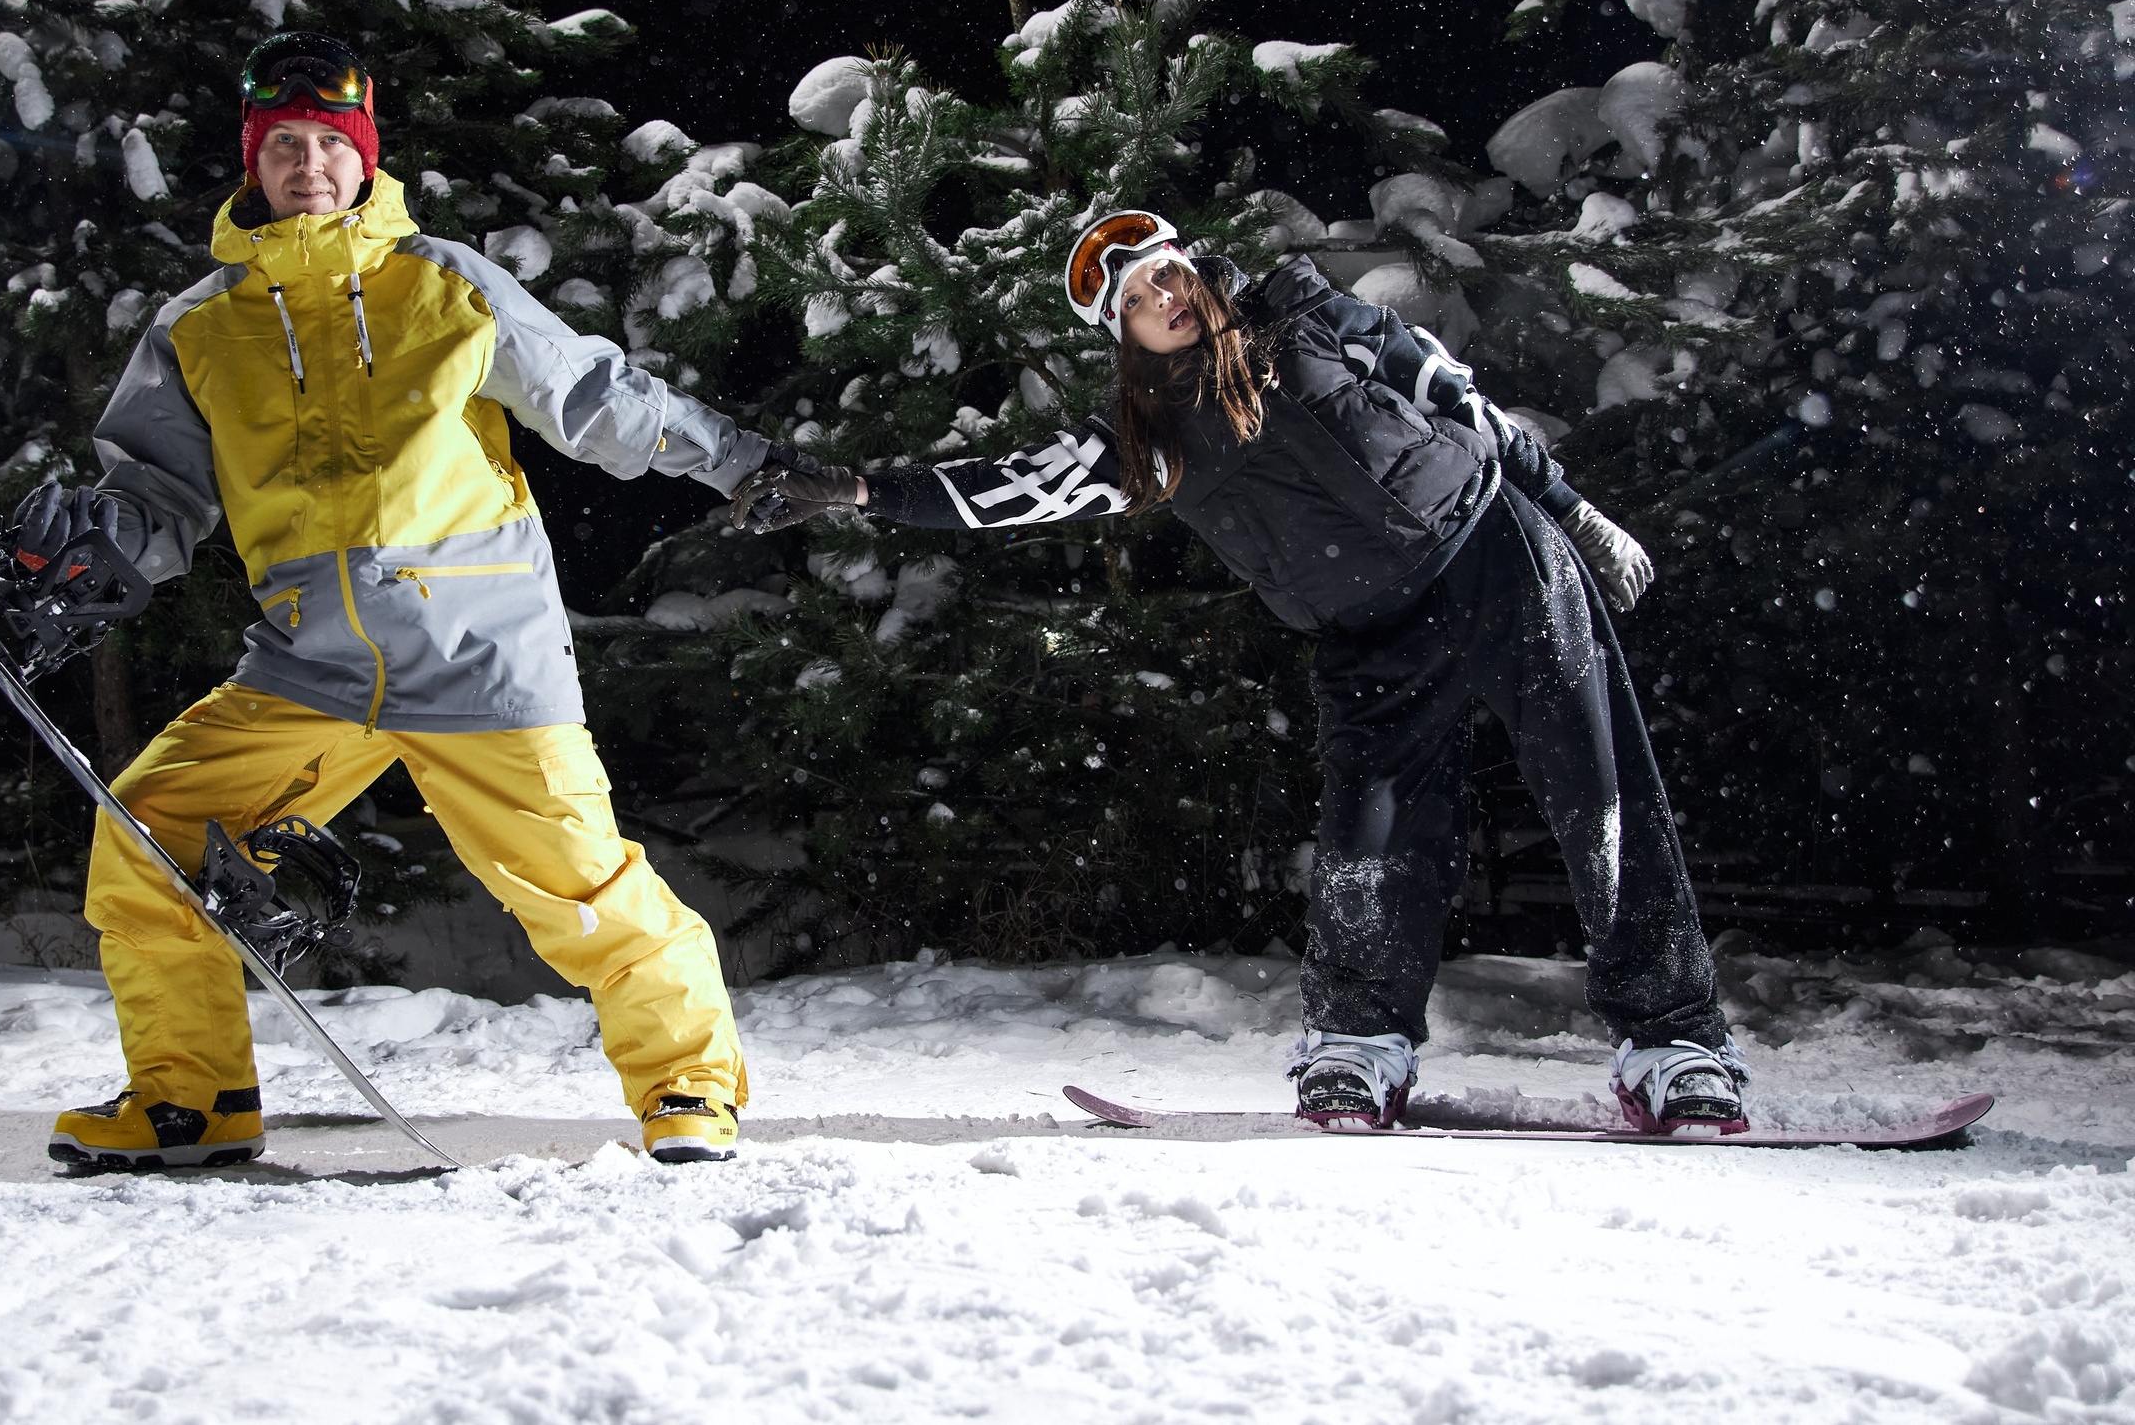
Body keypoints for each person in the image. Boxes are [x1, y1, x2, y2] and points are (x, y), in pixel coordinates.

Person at [733, 210, 1749, 1133]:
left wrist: (1569, 508)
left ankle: (1673, 1041)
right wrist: (859, 488)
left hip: (1493, 551)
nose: (1159, 300)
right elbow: (1005, 490)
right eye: (1131, 302)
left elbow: (1453, 394)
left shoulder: (1310, 314)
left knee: (1598, 792)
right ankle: (1358, 1044)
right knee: (1370, 834)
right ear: (1122, 333)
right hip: (1365, 631)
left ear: (1194, 269)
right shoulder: (1149, 443)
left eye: (1163, 275)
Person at [25, 32, 775, 1170]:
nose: (310, 167)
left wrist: (742, 464)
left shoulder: (442, 280)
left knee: (582, 890)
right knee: (148, 829)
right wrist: (90, 557)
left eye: (332, 144)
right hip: (309, 663)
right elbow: (152, 491)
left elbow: (590, 397)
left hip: (480, 654)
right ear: (253, 162)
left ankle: (687, 1091)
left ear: (365, 156)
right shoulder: (200, 325)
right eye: (286, 147)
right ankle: (191, 1103)